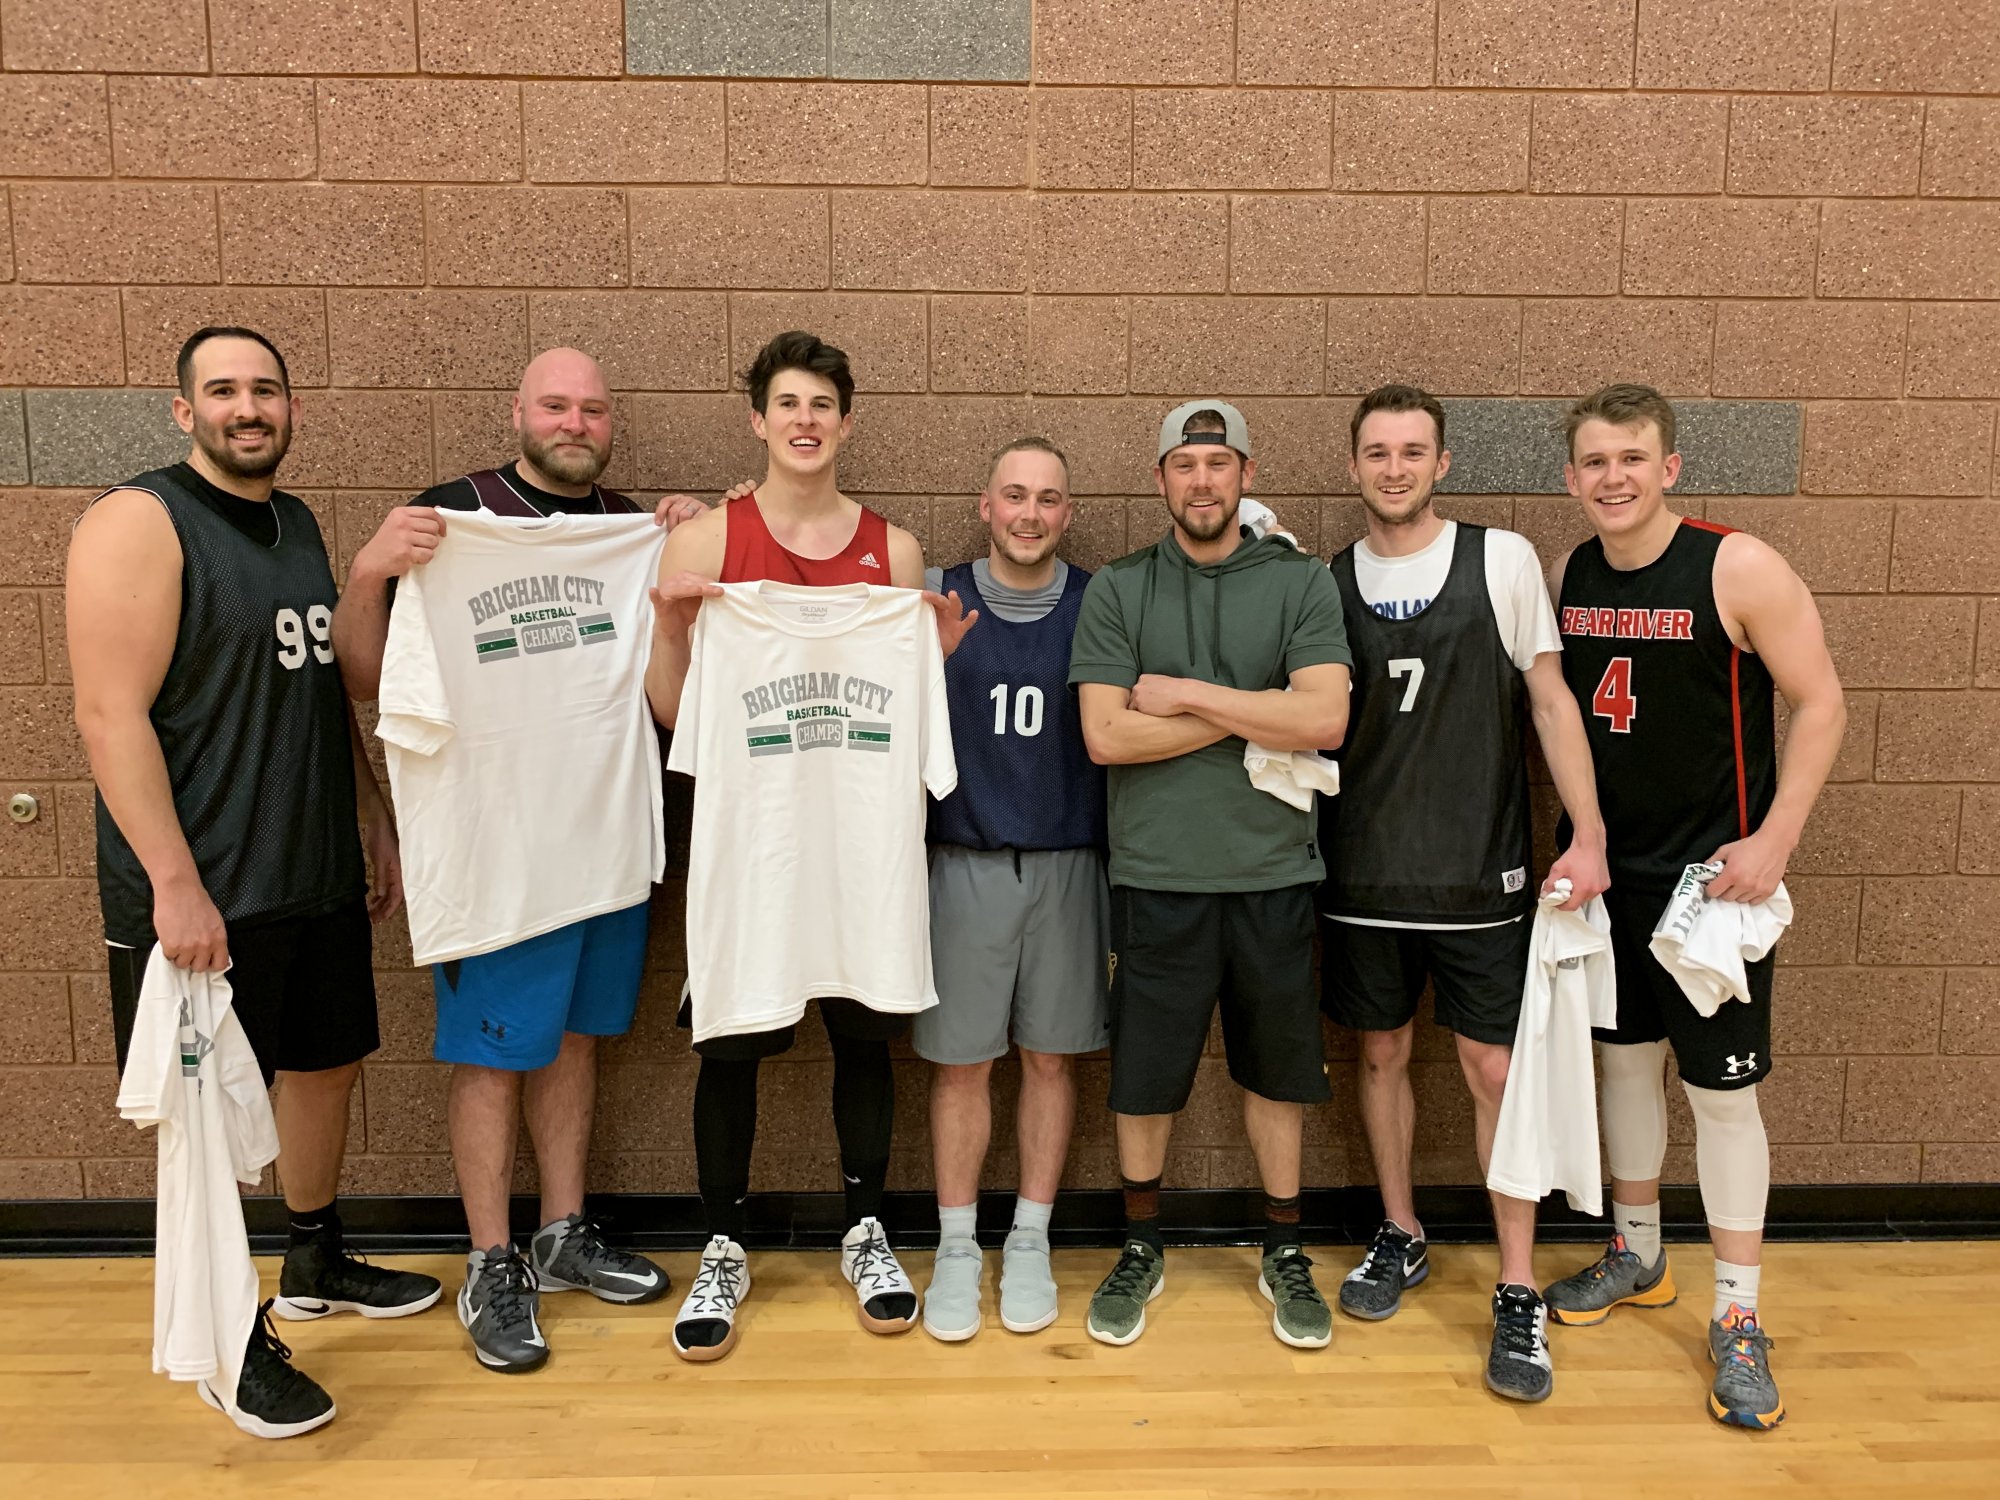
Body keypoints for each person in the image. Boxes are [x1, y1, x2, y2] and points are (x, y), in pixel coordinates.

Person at [68, 327, 440, 1437]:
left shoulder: (298, 523)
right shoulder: (140, 520)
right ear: (184, 411)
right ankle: (230, 1345)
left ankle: (314, 1254)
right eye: (223, 390)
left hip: (309, 868)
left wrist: (370, 812)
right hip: (208, 891)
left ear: (292, 408)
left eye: (266, 389)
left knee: (325, 1065)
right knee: (207, 1125)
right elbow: (108, 714)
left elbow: (318, 688)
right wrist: (173, 885)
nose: (248, 407)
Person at [331, 348, 672, 1374]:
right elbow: (363, 677)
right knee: (491, 1059)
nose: (574, 423)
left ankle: (561, 1234)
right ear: (518, 412)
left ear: (611, 425)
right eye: (555, 405)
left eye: (592, 409)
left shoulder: (628, 529)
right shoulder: (449, 520)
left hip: (601, 841)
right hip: (492, 851)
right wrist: (368, 571)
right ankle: (491, 1260)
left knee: (574, 1043)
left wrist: (688, 532)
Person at [644, 330, 976, 1361]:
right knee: (731, 1042)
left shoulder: (896, 553)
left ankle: (866, 1231)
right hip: (756, 852)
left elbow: (916, 725)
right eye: (786, 403)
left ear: (845, 421)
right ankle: (722, 1243)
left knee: (864, 1036)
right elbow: (673, 715)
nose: (804, 420)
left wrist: (931, 663)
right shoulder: (705, 545)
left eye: (821, 405)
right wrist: (672, 627)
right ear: (758, 419)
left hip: (861, 856)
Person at [1543, 383, 1845, 1430]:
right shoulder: (1571, 574)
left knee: (1721, 1097)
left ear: (1668, 467)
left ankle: (1737, 1314)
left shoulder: (1735, 565)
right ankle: (1636, 1255)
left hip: (1710, 887)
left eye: (1631, 458)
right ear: (1570, 477)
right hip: (1610, 880)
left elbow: (1820, 701)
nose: (1612, 478)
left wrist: (1775, 840)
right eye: (1594, 461)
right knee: (1623, 1066)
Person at [1316, 384, 1612, 1403]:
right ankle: (1399, 1231)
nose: (1394, 467)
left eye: (1412, 450)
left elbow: (1550, 702)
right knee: (1380, 1054)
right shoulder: (1327, 580)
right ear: (1352, 466)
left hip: (1481, 875)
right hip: (1362, 874)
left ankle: (1516, 1284)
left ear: (1440, 463)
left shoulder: (1502, 560)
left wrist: (1588, 834)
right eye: (1377, 451)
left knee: (1492, 1070)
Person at [1068, 399, 1351, 1349]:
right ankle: (1141, 1243)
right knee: (1146, 1077)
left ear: (1246, 474)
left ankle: (1284, 1249)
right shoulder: (1121, 588)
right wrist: (1255, 710)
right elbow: (1107, 736)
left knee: (1277, 1075)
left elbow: (1324, 720)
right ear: (1161, 479)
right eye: (1185, 465)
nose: (1202, 480)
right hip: (1157, 874)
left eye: (1218, 463)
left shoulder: (1301, 582)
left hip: (1274, 872)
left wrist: (1187, 696)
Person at [916, 437, 1109, 1342]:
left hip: (1069, 859)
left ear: (1067, 512)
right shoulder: (934, 594)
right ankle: (957, 1245)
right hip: (965, 859)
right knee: (962, 1064)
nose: (1031, 513)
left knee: (1050, 1058)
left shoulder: (1098, 602)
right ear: (985, 506)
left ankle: (1030, 1237)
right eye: (1015, 495)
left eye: (1048, 499)